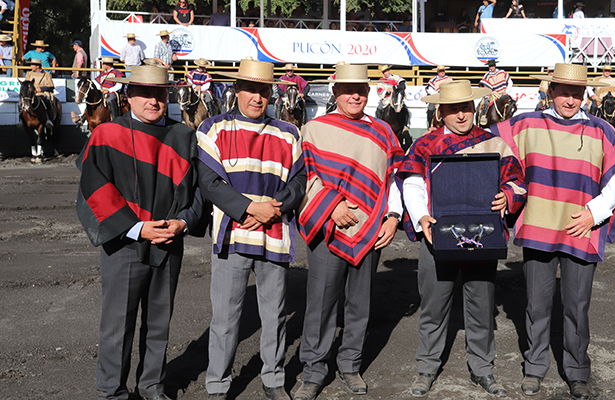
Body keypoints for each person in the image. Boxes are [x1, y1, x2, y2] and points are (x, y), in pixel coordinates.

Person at [497, 63, 615, 400]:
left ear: (584, 95)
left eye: (576, 94)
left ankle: (577, 371)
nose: (570, 100)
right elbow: (488, 147)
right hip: (539, 227)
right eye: (564, 93)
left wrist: (594, 213)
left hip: (580, 229)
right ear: (551, 92)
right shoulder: (524, 123)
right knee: (536, 305)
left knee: (576, 307)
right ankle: (535, 368)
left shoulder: (602, 130)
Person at [76, 64, 207, 400]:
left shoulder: (184, 137)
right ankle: (112, 392)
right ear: (129, 96)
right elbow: (94, 188)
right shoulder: (106, 134)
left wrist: (183, 223)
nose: (153, 100)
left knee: (160, 322)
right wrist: (136, 228)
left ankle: (151, 387)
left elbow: (197, 195)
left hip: (169, 240)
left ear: (169, 96)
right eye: (145, 93)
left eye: (160, 94)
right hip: (124, 243)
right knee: (117, 326)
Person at [401, 79, 527, 398]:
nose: (461, 115)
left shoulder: (494, 143)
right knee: (433, 306)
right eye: (453, 110)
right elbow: (412, 185)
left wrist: (507, 196)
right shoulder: (425, 144)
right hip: (436, 237)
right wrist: (421, 217)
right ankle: (427, 368)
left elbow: (518, 182)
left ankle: (483, 369)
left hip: (482, 238)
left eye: (466, 108)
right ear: (441, 112)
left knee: (482, 305)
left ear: (475, 109)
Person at [293, 63, 404, 400]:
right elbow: (303, 177)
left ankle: (350, 366)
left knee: (359, 304)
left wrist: (393, 217)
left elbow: (393, 179)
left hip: (371, 229)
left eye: (361, 90)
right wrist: (331, 205)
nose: (355, 95)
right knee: (321, 303)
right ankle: (313, 370)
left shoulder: (384, 132)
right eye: (348, 89)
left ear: (369, 94)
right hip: (329, 226)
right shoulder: (313, 129)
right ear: (335, 93)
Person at [198, 57, 306, 400]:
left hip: (274, 236)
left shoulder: (288, 133)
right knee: (226, 317)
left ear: (270, 93)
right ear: (237, 91)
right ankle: (218, 384)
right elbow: (209, 182)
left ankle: (273, 379)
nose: (257, 97)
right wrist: (249, 208)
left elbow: (300, 180)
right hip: (232, 235)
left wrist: (277, 205)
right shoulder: (213, 128)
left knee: (274, 315)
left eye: (263, 91)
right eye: (250, 90)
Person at [586, 65, 615, 130]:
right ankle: (590, 122)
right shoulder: (597, 79)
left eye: (609, 71)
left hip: (611, 100)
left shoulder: (613, 80)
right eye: (606, 70)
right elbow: (589, 87)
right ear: (603, 71)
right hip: (600, 99)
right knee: (594, 106)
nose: (607, 72)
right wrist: (593, 95)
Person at [477, 59, 512, 126]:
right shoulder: (487, 75)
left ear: (495, 65)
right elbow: (484, 85)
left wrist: (507, 92)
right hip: (492, 94)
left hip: (502, 93)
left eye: (492, 66)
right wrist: (490, 92)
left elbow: (510, 82)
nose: (491, 68)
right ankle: (483, 117)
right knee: (486, 102)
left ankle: (509, 119)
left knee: (510, 104)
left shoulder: (502, 72)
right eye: (490, 66)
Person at [24, 59, 55, 130]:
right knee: (22, 102)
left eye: (32, 65)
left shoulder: (46, 74)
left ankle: (48, 118)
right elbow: (26, 85)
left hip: (43, 93)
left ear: (38, 66)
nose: (31, 66)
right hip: (31, 93)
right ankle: (22, 119)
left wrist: (41, 89)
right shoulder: (29, 74)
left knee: (47, 101)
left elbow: (51, 86)